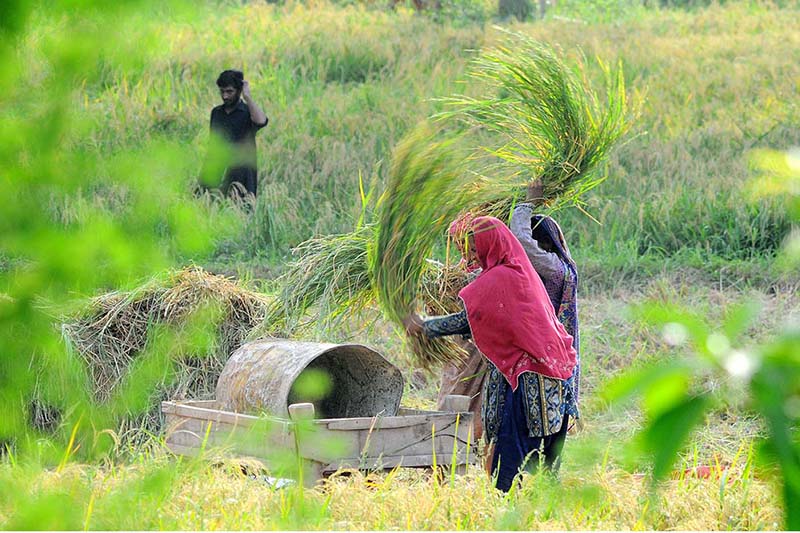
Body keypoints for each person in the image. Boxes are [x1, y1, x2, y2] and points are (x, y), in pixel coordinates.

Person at [404, 216, 578, 492]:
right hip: (552, 373)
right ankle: (537, 508)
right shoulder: (521, 271)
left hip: (530, 379)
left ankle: (507, 507)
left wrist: (424, 326)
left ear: (491, 245)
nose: (473, 255)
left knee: (511, 451)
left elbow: (467, 320)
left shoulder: (500, 278)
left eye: (476, 249)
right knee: (540, 461)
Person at [204, 70, 268, 199]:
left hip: (242, 175)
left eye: (229, 91)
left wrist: (248, 96)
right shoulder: (216, 113)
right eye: (222, 91)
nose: (225, 96)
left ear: (239, 91)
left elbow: (261, 121)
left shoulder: (247, 112)